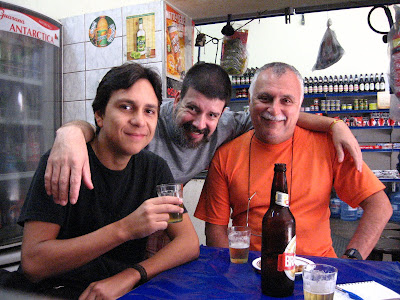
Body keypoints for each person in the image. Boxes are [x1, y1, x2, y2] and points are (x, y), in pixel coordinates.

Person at [45, 63, 363, 206]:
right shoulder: (148, 121)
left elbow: (277, 114)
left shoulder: (227, 124)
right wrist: (71, 131)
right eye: (193, 109)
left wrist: (335, 125)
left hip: (159, 219)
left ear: (223, 114)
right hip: (115, 212)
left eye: (212, 114)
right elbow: (104, 126)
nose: (200, 123)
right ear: (176, 97)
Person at [16, 63, 199, 299]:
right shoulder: (64, 162)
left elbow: (188, 241)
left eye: (149, 111)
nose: (139, 120)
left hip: (119, 291)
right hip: (52, 291)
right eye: (126, 107)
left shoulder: (154, 169)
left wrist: (131, 276)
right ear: (100, 115)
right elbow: (33, 264)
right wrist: (126, 229)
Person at [194, 62, 392, 259]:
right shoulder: (226, 155)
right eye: (265, 98)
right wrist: (231, 274)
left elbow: (380, 207)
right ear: (250, 99)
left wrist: (352, 259)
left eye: (286, 100)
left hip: (315, 272)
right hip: (252, 271)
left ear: (300, 104)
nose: (274, 109)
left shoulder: (329, 145)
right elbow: (215, 230)